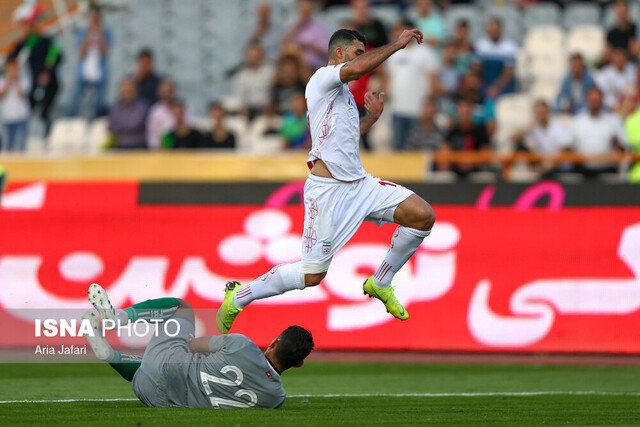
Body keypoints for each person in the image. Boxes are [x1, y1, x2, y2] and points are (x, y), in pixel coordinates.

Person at [217, 28, 436, 334]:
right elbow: (357, 69)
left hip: (361, 185)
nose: (359, 60)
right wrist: (398, 45)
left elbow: (345, 139)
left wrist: (371, 119)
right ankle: (238, 297)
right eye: (357, 53)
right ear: (339, 53)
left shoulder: (342, 95)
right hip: (328, 192)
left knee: (422, 216)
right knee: (311, 275)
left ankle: (381, 282)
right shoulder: (322, 78)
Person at [82, 283, 313, 409]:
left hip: (166, 367)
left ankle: (119, 317)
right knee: (153, 367)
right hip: (153, 397)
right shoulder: (275, 398)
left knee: (182, 308)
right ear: (299, 364)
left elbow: (193, 344)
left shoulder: (243, 345)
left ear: (274, 342)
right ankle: (109, 355)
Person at [384, 21, 439, 150]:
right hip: (397, 109)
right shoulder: (393, 52)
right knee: (398, 147)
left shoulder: (425, 52)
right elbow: (388, 77)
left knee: (416, 148)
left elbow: (433, 79)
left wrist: (429, 104)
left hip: (418, 110)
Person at [10, 4, 62, 136]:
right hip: (35, 83)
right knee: (29, 111)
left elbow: (57, 55)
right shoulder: (25, 43)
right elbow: (11, 59)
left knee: (46, 112)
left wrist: (47, 73)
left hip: (50, 83)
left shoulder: (45, 40)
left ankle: (47, 132)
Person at [571, 87, 627, 177]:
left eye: (597, 100)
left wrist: (618, 145)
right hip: (583, 170)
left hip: (607, 170)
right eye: (592, 100)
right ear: (587, 101)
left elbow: (624, 145)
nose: (594, 103)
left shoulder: (614, 120)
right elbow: (570, 145)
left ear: (602, 101)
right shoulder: (578, 121)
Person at [67, 6, 112, 119]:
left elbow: (105, 53)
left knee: (99, 102)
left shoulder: (106, 32)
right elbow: (80, 53)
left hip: (99, 73)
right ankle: (69, 120)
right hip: (84, 72)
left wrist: (101, 34)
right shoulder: (82, 32)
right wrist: (88, 33)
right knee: (74, 100)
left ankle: (97, 120)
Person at [441, 99, 490, 177]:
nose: (464, 112)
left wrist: (472, 162)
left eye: (467, 108)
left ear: (471, 110)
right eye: (461, 109)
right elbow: (445, 153)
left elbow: (485, 153)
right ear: (457, 112)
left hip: (476, 171)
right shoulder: (452, 132)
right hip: (455, 172)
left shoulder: (481, 130)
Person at [474, 17, 517, 99]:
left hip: (503, 83)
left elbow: (508, 73)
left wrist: (496, 87)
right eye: (492, 30)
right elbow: (478, 69)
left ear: (500, 30)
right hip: (486, 81)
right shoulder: (480, 45)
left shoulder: (509, 46)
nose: (494, 32)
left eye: (496, 30)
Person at [282, 0, 329, 71]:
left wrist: (307, 46)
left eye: (306, 9)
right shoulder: (293, 26)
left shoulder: (318, 27)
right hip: (294, 63)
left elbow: (324, 50)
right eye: (302, 8)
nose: (304, 12)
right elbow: (284, 42)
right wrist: (299, 25)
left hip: (313, 65)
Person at [233, 43, 275, 119]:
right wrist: (241, 108)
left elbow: (275, 92)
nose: (253, 59)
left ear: (262, 56)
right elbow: (239, 96)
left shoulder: (270, 72)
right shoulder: (241, 75)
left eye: (256, 56)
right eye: (251, 56)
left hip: (266, 110)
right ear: (246, 57)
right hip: (248, 110)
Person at [0, 57, 31, 152]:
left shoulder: (25, 79)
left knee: (21, 146)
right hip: (8, 117)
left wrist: (16, 81)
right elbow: (1, 95)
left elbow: (21, 95)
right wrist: (8, 82)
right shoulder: (2, 80)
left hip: (22, 117)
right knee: (7, 146)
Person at [108, 78, 148, 149]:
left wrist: (121, 127)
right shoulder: (115, 108)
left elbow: (135, 124)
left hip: (138, 146)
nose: (127, 93)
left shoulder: (142, 106)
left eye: (129, 90)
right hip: (120, 146)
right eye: (124, 90)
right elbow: (112, 127)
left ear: (135, 91)